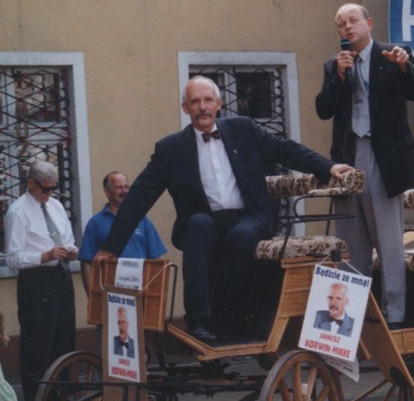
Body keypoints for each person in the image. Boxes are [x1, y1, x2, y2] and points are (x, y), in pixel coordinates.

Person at [95, 76, 352, 343]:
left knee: (240, 236)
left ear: (219, 104)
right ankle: (199, 321)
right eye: (195, 102)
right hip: (204, 219)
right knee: (198, 226)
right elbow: (139, 196)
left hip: (248, 217)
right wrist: (112, 246)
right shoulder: (171, 148)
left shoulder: (244, 129)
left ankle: (238, 318)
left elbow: (285, 149)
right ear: (186, 108)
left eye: (208, 100)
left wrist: (328, 166)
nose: (202, 107)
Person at [316, 3, 414, 328]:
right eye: (340, 24)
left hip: (385, 156)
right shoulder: (334, 65)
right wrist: (338, 77)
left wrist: (406, 67)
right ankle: (353, 318)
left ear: (369, 22)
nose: (347, 28)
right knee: (352, 242)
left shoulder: (393, 56)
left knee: (389, 240)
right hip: (348, 157)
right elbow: (323, 110)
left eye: (352, 21)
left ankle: (396, 314)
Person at [5, 160, 78, 401]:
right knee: (38, 347)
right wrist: (44, 256)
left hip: (61, 276)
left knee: (64, 342)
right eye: (45, 189)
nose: (49, 194)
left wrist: (71, 251)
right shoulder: (18, 211)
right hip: (35, 281)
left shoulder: (56, 206)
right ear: (31, 183)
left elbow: (68, 239)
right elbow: (13, 258)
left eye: (53, 188)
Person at [79, 171, 167, 296]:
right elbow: (86, 263)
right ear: (107, 192)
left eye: (126, 187)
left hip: (140, 291)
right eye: (119, 187)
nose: (124, 191)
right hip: (110, 292)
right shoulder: (95, 223)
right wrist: (92, 297)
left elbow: (155, 259)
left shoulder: (142, 220)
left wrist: (156, 295)